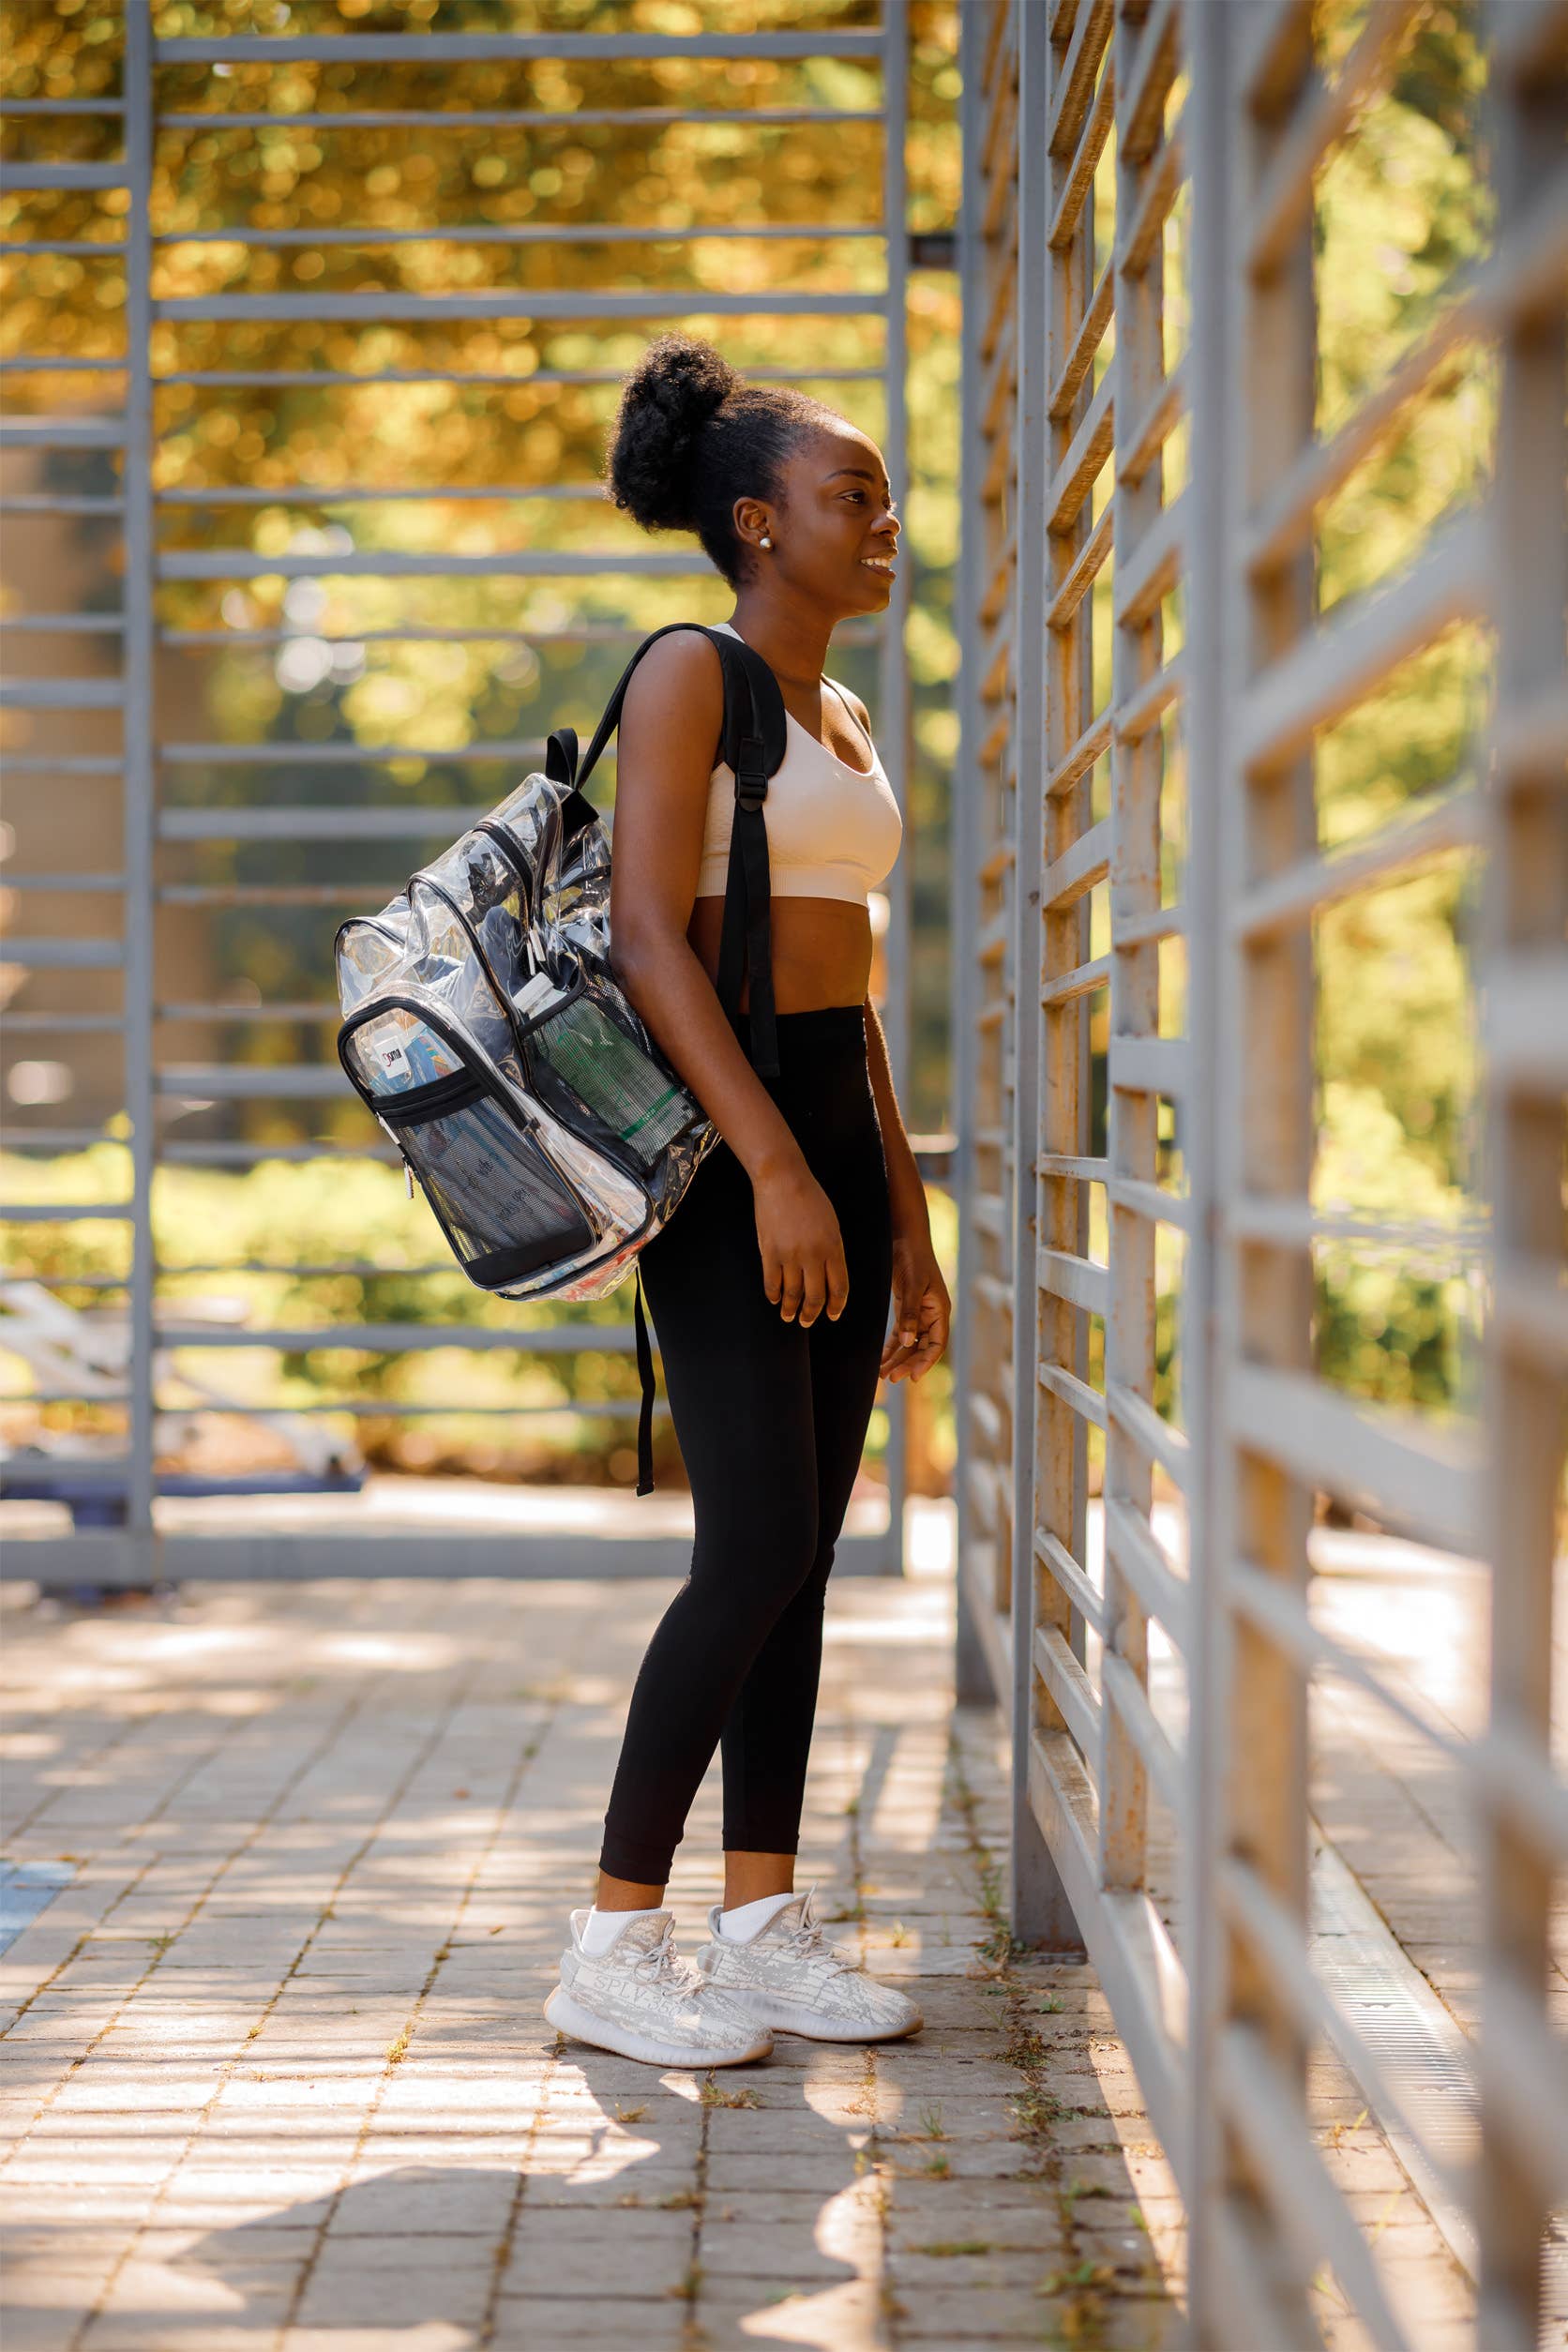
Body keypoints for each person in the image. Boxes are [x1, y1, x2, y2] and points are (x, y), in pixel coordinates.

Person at [542, 331, 952, 2070]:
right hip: (724, 1155)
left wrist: (903, 1211)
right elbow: (650, 934)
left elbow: (845, 981)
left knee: (805, 1563)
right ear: (754, 522)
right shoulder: (690, 675)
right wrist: (775, 1168)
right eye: (848, 495)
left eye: (881, 496)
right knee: (754, 1549)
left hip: (833, 1141)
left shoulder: (843, 710)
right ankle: (610, 1943)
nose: (882, 522)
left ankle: (764, 1923)